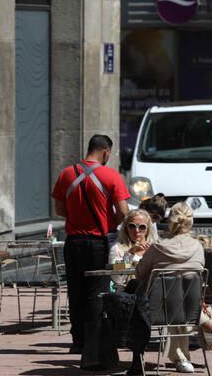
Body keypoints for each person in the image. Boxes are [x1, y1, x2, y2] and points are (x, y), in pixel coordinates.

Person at [51, 135, 130, 355]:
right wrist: (109, 223)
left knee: (75, 291)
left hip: (73, 241)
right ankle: (95, 342)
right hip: (98, 242)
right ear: (106, 152)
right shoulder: (111, 175)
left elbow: (59, 209)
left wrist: (78, 218)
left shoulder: (66, 174)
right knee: (97, 292)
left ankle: (78, 341)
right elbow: (124, 211)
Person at [132, 202, 212, 374]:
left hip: (158, 309)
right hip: (191, 308)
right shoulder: (198, 247)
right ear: (190, 222)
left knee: (172, 296)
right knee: (180, 294)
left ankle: (182, 359)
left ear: (170, 221)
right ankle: (209, 326)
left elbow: (139, 274)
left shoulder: (158, 247)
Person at [108, 209, 157, 286]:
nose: (137, 230)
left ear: (148, 229)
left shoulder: (155, 248)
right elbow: (117, 278)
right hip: (129, 294)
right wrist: (130, 253)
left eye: (142, 227)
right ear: (126, 228)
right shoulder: (117, 249)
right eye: (132, 226)